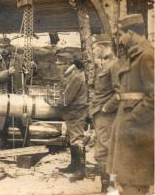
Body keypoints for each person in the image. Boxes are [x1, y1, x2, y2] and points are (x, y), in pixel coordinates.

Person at [107, 14, 154, 195]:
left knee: (133, 183)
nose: (119, 40)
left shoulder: (147, 55)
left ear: (132, 32)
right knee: (129, 181)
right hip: (130, 129)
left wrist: (133, 120)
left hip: (138, 131)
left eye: (120, 35)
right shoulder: (135, 55)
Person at [89, 34, 120, 192]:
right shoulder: (105, 65)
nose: (93, 51)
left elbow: (119, 93)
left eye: (94, 48)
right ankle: (106, 186)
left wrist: (106, 108)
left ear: (102, 47)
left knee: (107, 151)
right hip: (100, 115)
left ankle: (112, 186)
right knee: (101, 152)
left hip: (107, 116)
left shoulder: (114, 65)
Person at [0, 37, 28, 150]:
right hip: (2, 94)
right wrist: (8, 72)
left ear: (9, 47)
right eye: (0, 47)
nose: (3, 50)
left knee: (21, 118)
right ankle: (3, 141)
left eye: (5, 47)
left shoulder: (18, 59)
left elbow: (28, 74)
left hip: (17, 93)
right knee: (3, 119)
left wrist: (31, 69)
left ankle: (27, 141)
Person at [56, 59, 88, 182]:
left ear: (67, 63)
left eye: (59, 64)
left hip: (76, 111)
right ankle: (73, 165)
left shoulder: (75, 76)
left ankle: (80, 170)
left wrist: (55, 103)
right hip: (73, 111)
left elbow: (67, 97)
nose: (57, 66)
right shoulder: (72, 75)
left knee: (77, 140)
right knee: (72, 139)